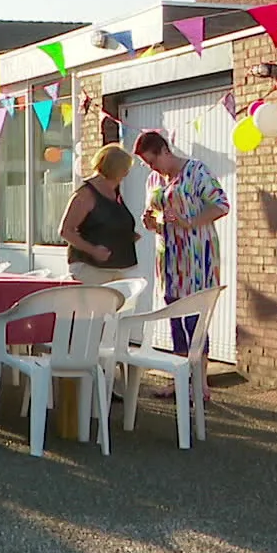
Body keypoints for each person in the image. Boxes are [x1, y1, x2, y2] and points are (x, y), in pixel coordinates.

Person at [133, 129, 230, 399]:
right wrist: (150, 222)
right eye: (147, 164)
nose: (151, 168)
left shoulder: (197, 171)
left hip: (197, 256)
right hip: (169, 259)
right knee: (174, 315)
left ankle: (200, 384)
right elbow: (155, 213)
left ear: (165, 150)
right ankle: (178, 380)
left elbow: (221, 205)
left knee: (195, 317)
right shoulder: (154, 179)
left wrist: (190, 222)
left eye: (152, 161)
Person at [60, 143, 141, 289]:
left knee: (118, 310)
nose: (126, 174)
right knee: (94, 310)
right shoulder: (86, 194)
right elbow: (66, 230)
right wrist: (94, 250)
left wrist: (126, 234)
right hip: (91, 269)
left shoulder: (114, 192)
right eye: (125, 169)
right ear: (115, 169)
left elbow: (106, 222)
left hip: (119, 267)